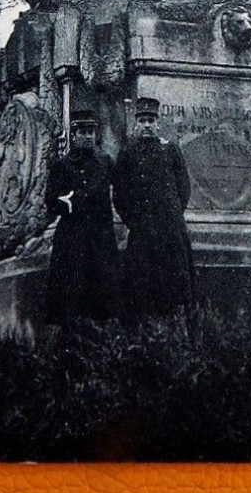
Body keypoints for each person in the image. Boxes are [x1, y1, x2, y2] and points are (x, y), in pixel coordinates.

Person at [113, 97, 194, 319]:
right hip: (142, 231)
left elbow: (183, 189)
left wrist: (171, 214)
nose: (147, 125)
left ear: (158, 123)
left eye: (151, 120)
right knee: (141, 288)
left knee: (173, 287)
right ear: (135, 123)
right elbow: (119, 195)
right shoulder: (127, 153)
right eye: (142, 120)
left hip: (170, 230)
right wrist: (135, 221)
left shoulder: (170, 150)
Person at [45, 109, 122, 328]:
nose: (88, 137)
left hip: (101, 236)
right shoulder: (62, 165)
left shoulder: (105, 162)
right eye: (83, 132)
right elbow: (51, 200)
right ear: (74, 135)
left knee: (103, 291)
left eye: (91, 132)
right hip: (73, 237)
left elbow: (121, 188)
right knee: (72, 293)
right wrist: (74, 201)